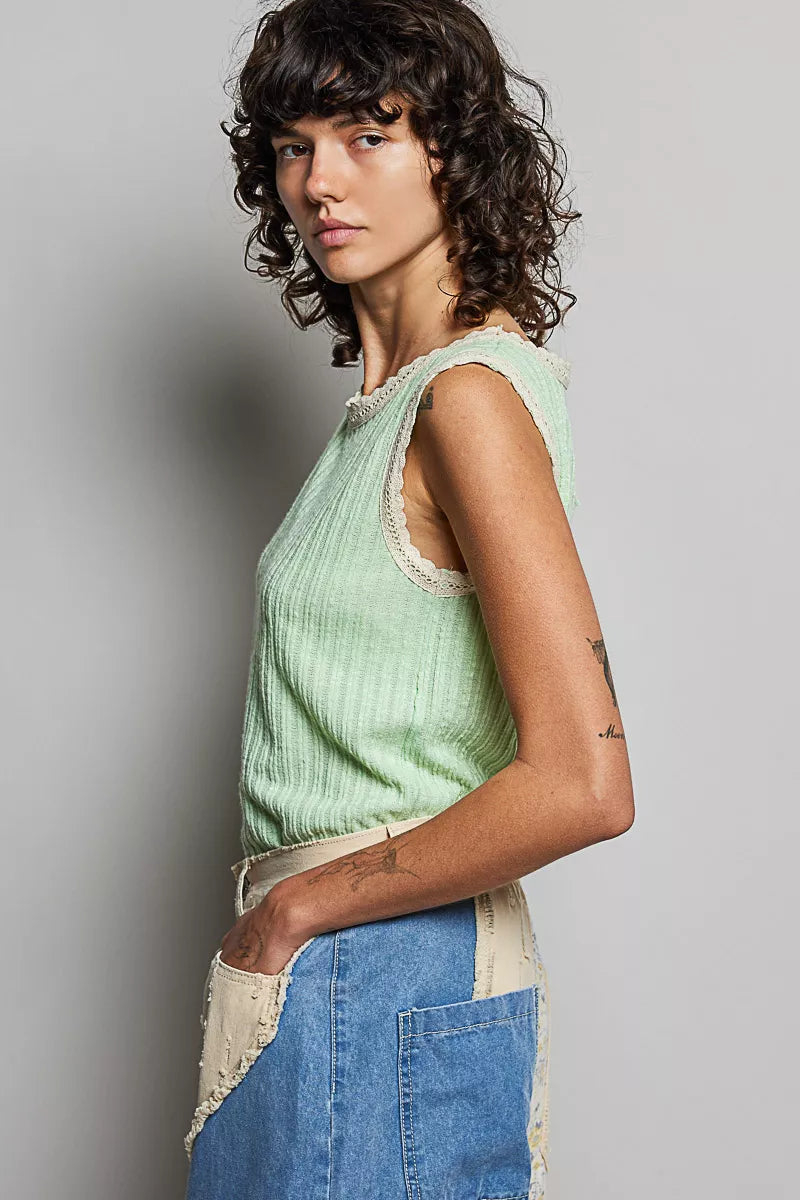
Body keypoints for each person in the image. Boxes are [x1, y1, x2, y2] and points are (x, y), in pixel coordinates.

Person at [184, 1, 635, 1197]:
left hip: (378, 962)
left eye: (366, 135)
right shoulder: (382, 417)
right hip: (337, 962)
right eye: (293, 146)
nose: (318, 181)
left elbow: (582, 780)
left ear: (454, 152)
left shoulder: (465, 401)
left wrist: (297, 913)